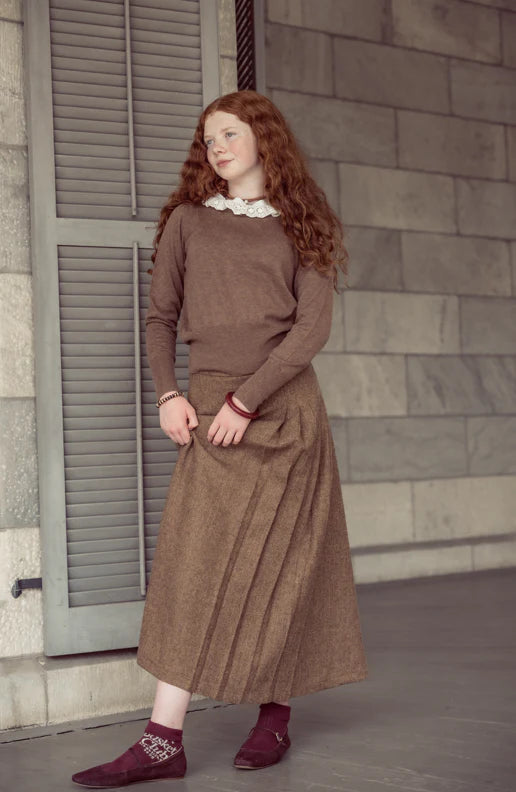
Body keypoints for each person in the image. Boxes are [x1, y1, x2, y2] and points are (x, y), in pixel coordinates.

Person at [72, 89, 368, 788]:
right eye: (209, 139)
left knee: (285, 566)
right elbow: (160, 318)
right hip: (209, 413)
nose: (218, 148)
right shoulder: (189, 221)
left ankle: (274, 718)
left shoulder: (304, 220)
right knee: (193, 568)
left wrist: (246, 400)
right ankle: (162, 742)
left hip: (283, 413)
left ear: (265, 137)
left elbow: (311, 330)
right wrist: (169, 394)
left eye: (230, 134)